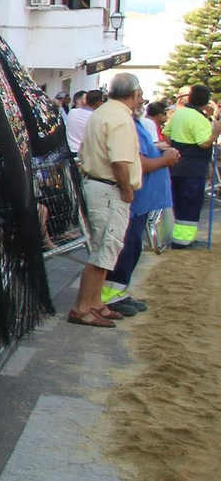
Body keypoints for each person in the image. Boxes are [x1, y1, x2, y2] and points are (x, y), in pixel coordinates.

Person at [69, 73, 143, 327]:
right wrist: (126, 189)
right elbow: (119, 160)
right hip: (109, 189)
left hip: (99, 185)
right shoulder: (119, 118)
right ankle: (82, 307)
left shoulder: (101, 112)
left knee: (105, 249)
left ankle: (95, 302)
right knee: (103, 249)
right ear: (134, 95)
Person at [102, 86, 180, 313]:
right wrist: (164, 160)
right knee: (126, 247)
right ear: (132, 96)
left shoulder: (131, 122)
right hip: (134, 199)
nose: (143, 102)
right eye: (140, 97)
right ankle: (110, 295)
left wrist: (157, 151)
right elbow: (134, 162)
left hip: (142, 200)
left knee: (133, 247)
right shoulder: (123, 122)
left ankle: (118, 291)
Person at [166, 84, 219, 248]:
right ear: (206, 100)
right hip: (193, 168)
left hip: (177, 165)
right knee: (190, 204)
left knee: (179, 202)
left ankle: (177, 238)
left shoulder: (178, 115)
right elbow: (204, 143)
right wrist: (216, 132)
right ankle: (183, 242)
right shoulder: (198, 118)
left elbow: (167, 134)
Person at [65, 89, 103, 154]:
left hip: (70, 151)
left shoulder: (72, 112)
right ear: (99, 103)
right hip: (85, 153)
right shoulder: (96, 117)